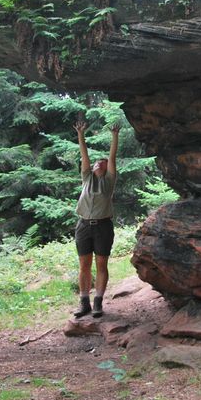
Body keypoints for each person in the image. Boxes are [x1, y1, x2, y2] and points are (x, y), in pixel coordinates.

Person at [72, 120, 120, 318]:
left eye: (102, 162)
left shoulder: (108, 182)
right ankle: (84, 303)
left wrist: (114, 136)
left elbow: (112, 156)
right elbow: (84, 155)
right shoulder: (86, 178)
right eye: (95, 162)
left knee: (101, 265)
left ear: (107, 168)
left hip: (103, 227)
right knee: (84, 265)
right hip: (83, 225)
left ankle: (98, 302)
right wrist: (80, 134)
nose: (98, 163)